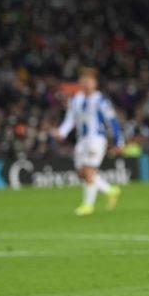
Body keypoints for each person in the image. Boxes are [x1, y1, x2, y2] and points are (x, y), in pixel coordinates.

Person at [53, 67, 123, 216]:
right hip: (82, 140)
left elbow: (112, 121)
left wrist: (118, 142)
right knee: (82, 173)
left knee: (89, 171)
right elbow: (70, 119)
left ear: (95, 83)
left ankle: (87, 206)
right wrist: (62, 132)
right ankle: (110, 190)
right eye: (84, 80)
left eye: (89, 81)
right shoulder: (76, 99)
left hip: (96, 139)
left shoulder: (101, 100)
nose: (86, 83)